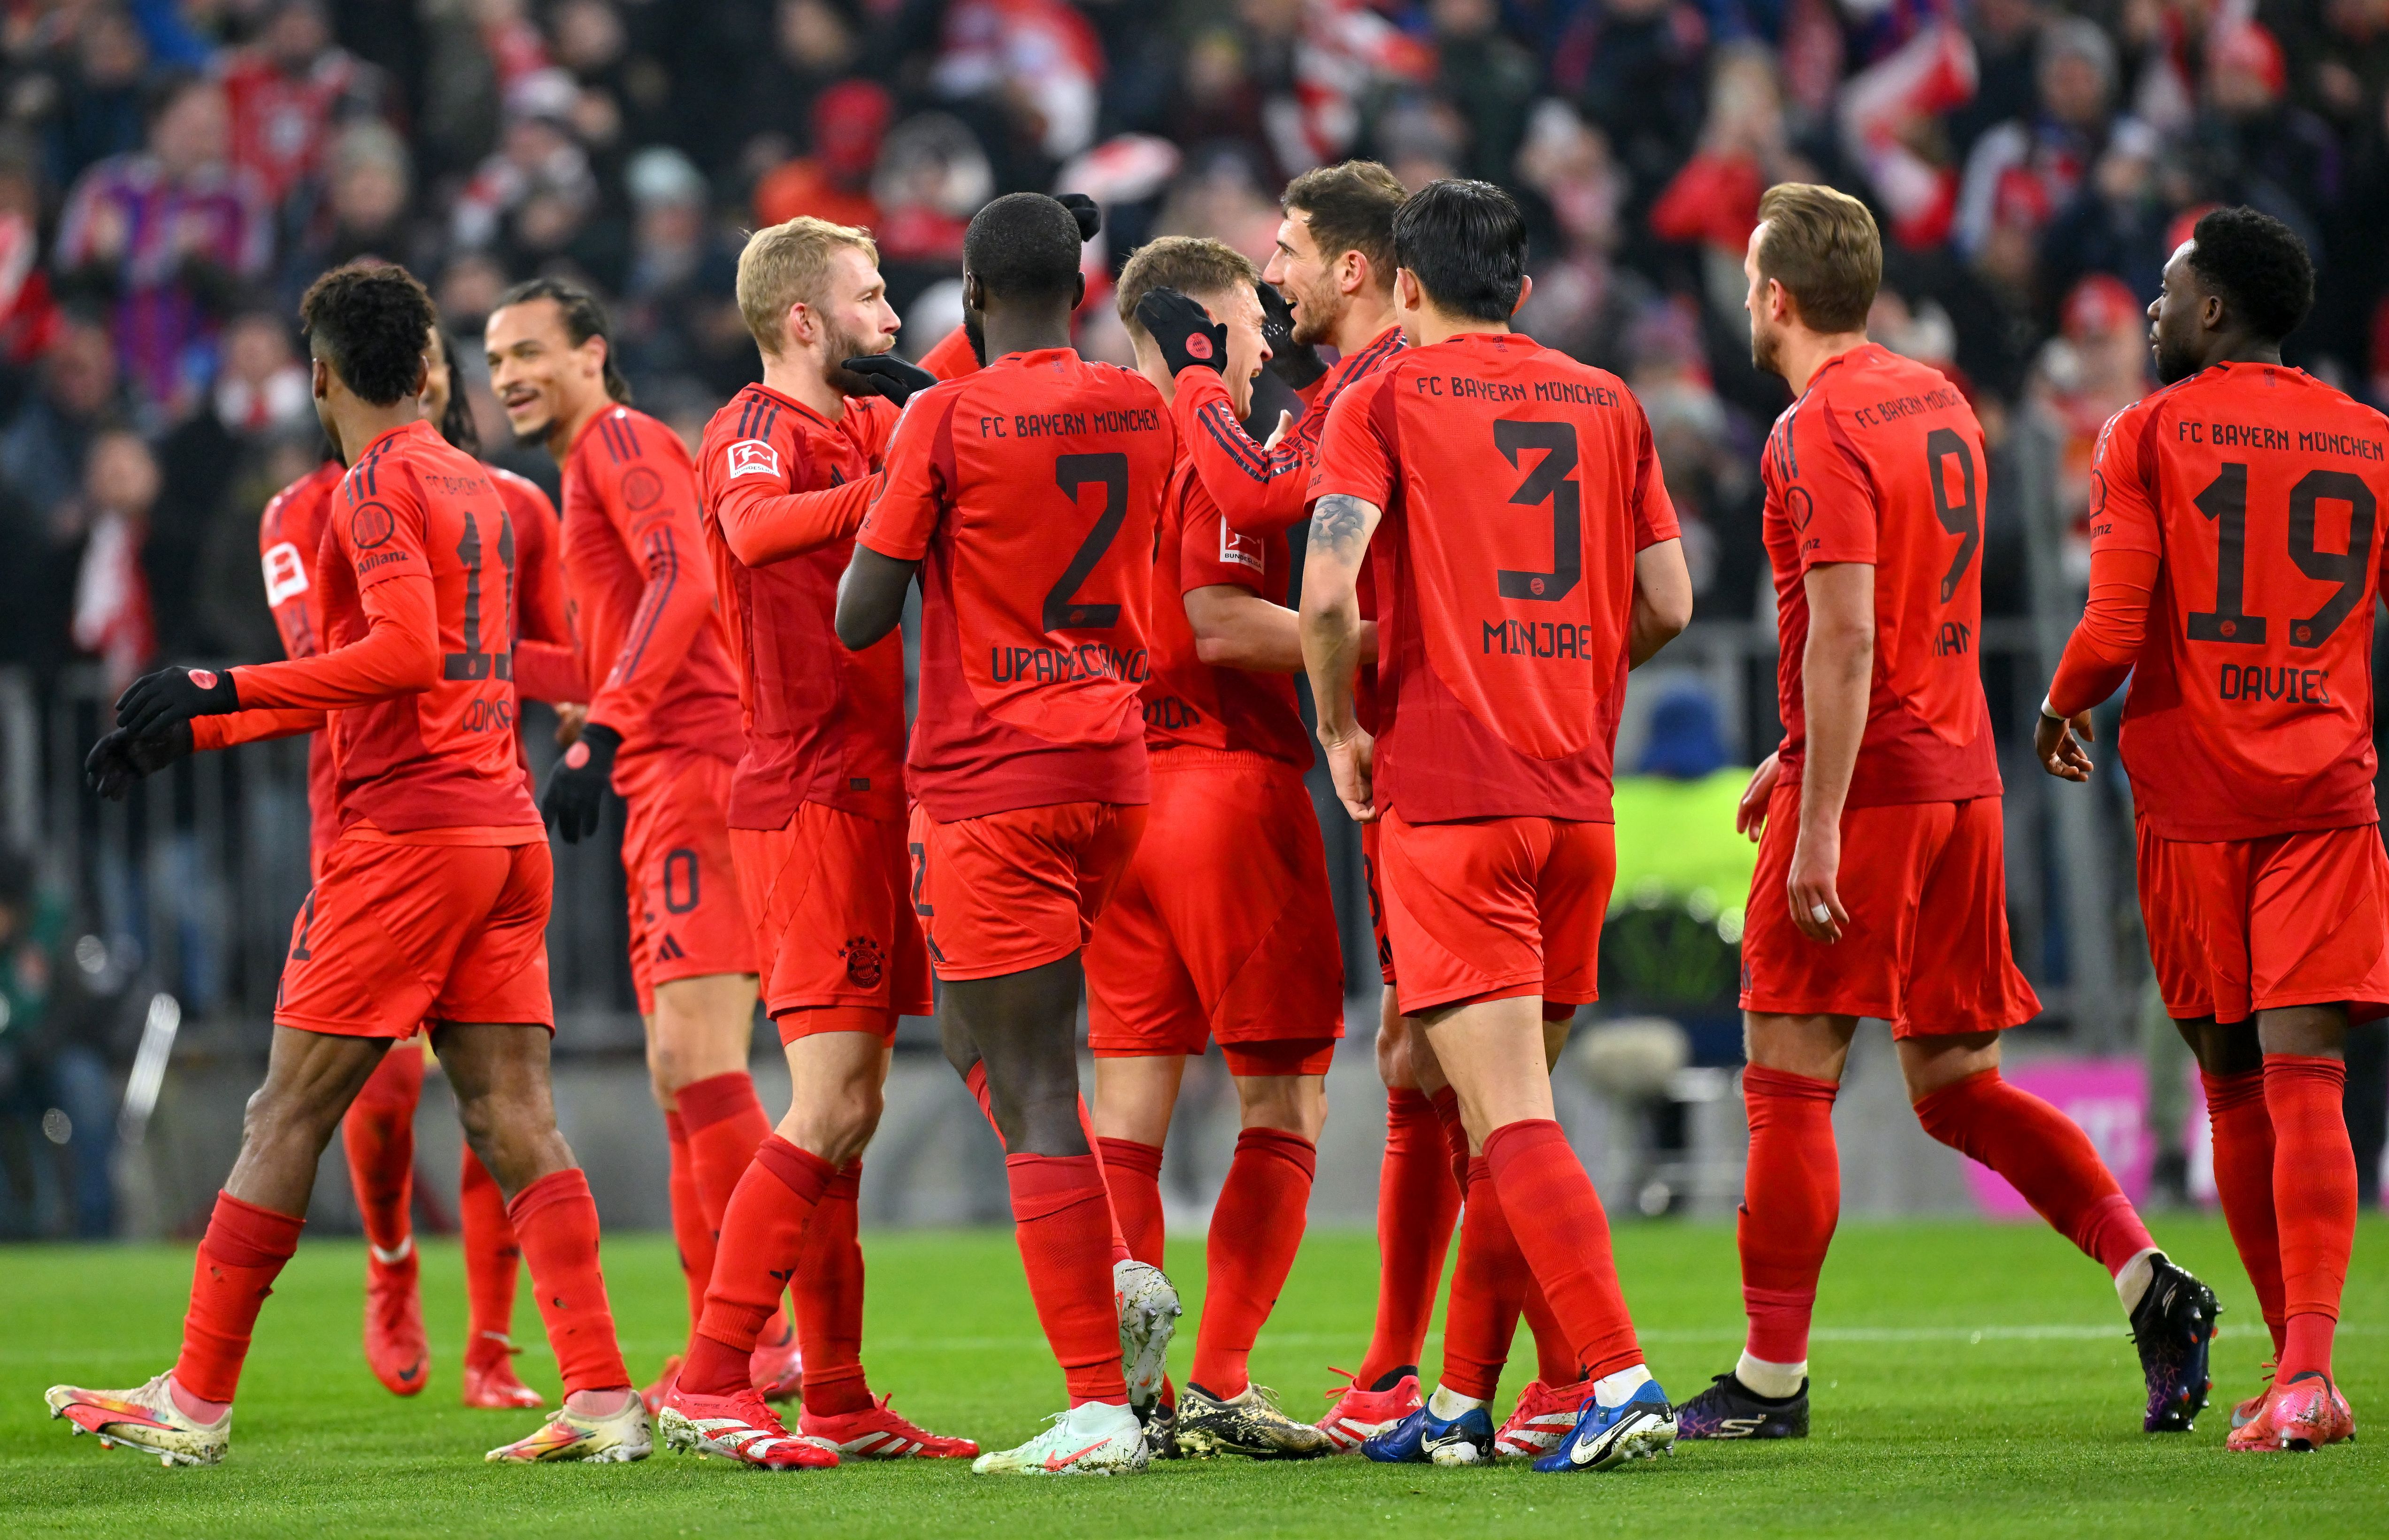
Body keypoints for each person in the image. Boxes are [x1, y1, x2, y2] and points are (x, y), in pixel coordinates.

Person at [54, 261, 645, 1466]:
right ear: (426, 365)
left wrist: (216, 682)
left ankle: (196, 1402)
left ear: (319, 374)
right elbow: (410, 667)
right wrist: (200, 728)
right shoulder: (480, 488)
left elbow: (395, 659)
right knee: (511, 1114)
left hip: (407, 840)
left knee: (285, 1111)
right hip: (501, 827)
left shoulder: (369, 491)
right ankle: (600, 1397)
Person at [1676, 182, 2216, 1445]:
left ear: (1775, 296)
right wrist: (1792, 748)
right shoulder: (1937, 399)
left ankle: (1768, 1380)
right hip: (1963, 777)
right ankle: (2152, 1282)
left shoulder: (1813, 432)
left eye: (1751, 279)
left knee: (1787, 1080)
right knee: (1958, 1083)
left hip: (1876, 792)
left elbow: (1855, 632)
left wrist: (1817, 813)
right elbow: (1903, 621)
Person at [1298, 177, 1694, 1474]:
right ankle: (1463, 1400)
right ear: (1521, 292)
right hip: (1577, 803)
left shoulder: (1383, 396)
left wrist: (1344, 727)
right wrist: (1574, 682)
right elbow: (1672, 602)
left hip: (1452, 794)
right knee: (1492, 1114)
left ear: (1401, 287)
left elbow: (1324, 590)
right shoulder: (1606, 398)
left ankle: (1615, 1373)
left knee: (1509, 1113)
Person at [837, 191, 1179, 1476]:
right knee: (981, 1034)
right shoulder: (1140, 403)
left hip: (995, 775)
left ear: (969, 306)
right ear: (1081, 295)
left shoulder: (945, 412)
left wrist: (903, 492)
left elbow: (861, 616)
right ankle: (1117, 1276)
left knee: (1034, 1076)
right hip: (1112, 762)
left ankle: (1099, 1402)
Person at [2036, 207, 2382, 1454]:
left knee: (2233, 1086)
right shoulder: (2372, 440)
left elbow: (2115, 627)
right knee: (2309, 1086)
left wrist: (2058, 698)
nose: (2150, 309)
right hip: (2324, 796)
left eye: (2169, 290)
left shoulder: (2146, 432)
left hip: (2193, 805)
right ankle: (2304, 1374)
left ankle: (2291, 1377)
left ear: (2216, 311)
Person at [1142, 160, 1473, 1454]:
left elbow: (1267, 514)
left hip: (1428, 759)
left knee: (1454, 1059)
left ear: (1350, 265)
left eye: (1282, 250)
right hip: (1482, 752)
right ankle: (1410, 1368)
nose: (1270, 272)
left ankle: (1524, 1369)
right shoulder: (1456, 382)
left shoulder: (1373, 386)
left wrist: (1354, 695)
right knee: (1426, 1055)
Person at [660, 214, 978, 1468]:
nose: (892, 317)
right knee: (829, 1101)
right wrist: (893, 488)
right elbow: (748, 535)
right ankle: (708, 1377)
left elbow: (952, 426)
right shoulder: (749, 429)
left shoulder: (856, 425)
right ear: (805, 320)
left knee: (850, 1111)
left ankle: (837, 1397)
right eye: (873, 295)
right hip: (800, 794)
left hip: (870, 790)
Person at [483, 278, 800, 1405]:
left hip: (693, 764)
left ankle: (760, 1343)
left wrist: (610, 723)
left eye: (529, 351)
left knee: (703, 1063)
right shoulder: (582, 467)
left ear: (593, 352)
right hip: (662, 760)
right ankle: (722, 1343)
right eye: (496, 358)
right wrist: (477, 661)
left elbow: (687, 576)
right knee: (681, 1070)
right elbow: (629, 633)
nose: (509, 374)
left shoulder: (620, 439)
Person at [1079, 239, 1349, 1462]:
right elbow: (1225, 619)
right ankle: (1225, 1378)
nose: (1264, 349)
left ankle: (1134, 1395)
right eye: (1246, 326)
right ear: (1191, 326)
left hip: (1112, 798)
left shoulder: (1081, 424)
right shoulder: (1209, 442)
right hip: (1222, 793)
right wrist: (1380, 647)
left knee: (1128, 1106)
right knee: (1283, 1094)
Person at [327, 324, 575, 1412]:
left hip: (462, 816)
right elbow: (332, 659)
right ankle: (391, 1266)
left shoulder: (516, 502)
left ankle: (491, 1346)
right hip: (356, 816)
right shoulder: (314, 507)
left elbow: (575, 659)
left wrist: (212, 702)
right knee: (378, 1093)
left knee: (500, 1099)